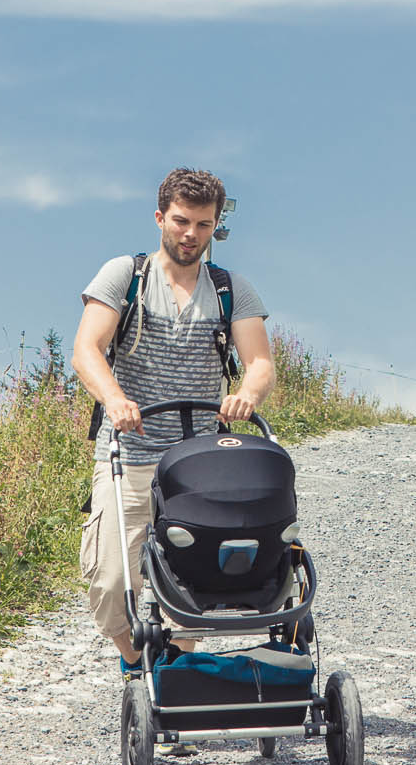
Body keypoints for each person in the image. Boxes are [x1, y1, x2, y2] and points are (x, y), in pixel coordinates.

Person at [72, 167, 274, 677]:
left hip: (199, 465)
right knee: (108, 578)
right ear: (160, 217)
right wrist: (115, 399)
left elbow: (260, 362)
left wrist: (246, 394)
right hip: (130, 456)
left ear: (216, 226)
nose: (191, 235)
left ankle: (178, 672)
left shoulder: (230, 290)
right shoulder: (126, 277)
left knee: (195, 579)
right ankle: (135, 657)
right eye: (181, 221)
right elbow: (86, 350)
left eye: (204, 225)